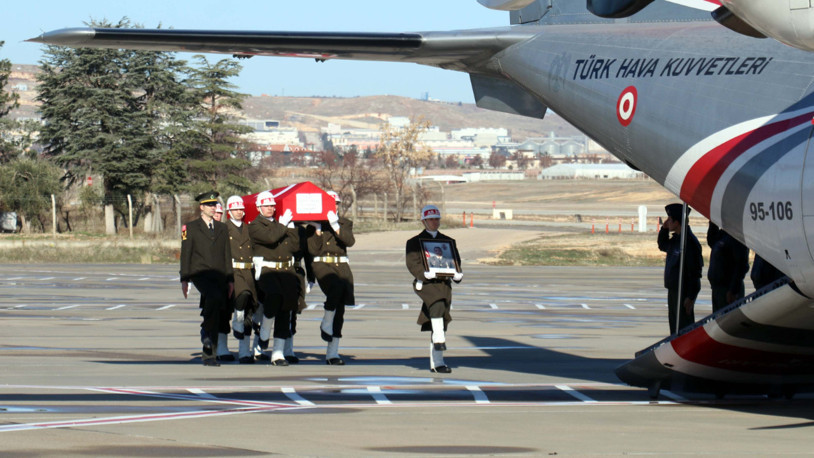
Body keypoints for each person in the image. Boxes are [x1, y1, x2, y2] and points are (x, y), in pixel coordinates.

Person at [405, 204, 463, 373]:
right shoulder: (414, 242)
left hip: (443, 283)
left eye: (437, 219)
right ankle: (439, 339)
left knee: (441, 318)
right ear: (423, 221)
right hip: (426, 283)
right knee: (437, 304)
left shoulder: (448, 241)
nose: (434, 222)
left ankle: (437, 363)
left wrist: (458, 273)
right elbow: (411, 263)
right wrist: (423, 274)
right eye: (430, 219)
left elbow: (455, 261)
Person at [180, 191, 234, 366]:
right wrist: (184, 278)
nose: (213, 208)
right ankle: (206, 332)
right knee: (214, 298)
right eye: (209, 205)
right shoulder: (190, 227)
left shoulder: (222, 228)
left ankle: (210, 353)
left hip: (219, 274)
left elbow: (227, 254)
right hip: (200, 273)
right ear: (201, 207)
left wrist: (230, 278)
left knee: (217, 310)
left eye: (215, 205)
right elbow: (186, 253)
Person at [248, 191, 298, 366]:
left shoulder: (281, 225)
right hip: (267, 270)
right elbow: (270, 238)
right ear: (259, 207)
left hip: (286, 270)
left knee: (285, 311)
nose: (270, 209)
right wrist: (283, 226)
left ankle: (277, 353)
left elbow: (295, 246)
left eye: (272, 206)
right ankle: (264, 332)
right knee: (273, 297)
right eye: (266, 206)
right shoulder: (254, 225)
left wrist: (291, 228)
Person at [307, 190, 355, 365]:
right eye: (329, 203)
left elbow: (349, 241)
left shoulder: (344, 223)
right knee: (335, 287)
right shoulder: (314, 225)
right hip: (321, 264)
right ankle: (326, 322)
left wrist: (336, 226)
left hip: (341, 264)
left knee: (340, 308)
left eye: (335, 204)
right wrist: (317, 231)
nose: (333, 206)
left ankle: (332, 353)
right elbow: (313, 250)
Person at [657, 203, 703, 335]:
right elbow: (662, 245)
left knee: (684, 327)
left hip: (683, 292)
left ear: (677, 222)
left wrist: (691, 296)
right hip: (673, 290)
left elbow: (695, 273)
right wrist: (664, 229)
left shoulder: (689, 242)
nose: (667, 222)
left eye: (670, 220)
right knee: (674, 327)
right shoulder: (676, 239)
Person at [225, 195, 258, 364]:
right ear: (229, 211)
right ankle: (236, 320)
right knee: (242, 295)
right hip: (233, 271)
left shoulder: (249, 228)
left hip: (249, 271)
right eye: (236, 209)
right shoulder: (224, 229)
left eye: (241, 209)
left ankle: (245, 352)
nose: (239, 212)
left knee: (249, 314)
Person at [706, 222, 749, 313]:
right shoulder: (723, 234)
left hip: (728, 289)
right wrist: (713, 223)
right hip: (718, 288)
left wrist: (733, 290)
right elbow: (711, 241)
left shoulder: (736, 236)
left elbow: (742, 265)